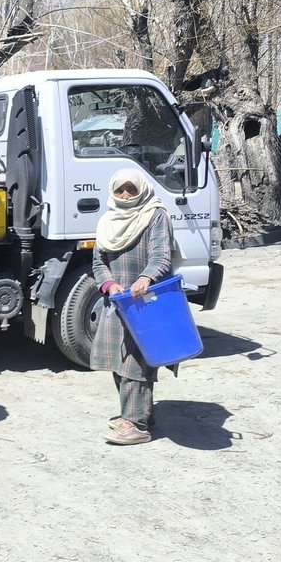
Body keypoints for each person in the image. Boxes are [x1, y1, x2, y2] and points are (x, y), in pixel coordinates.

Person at [91, 169, 174, 446]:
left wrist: (145, 278)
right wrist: (110, 285)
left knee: (135, 363)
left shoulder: (154, 215)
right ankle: (140, 414)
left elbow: (162, 256)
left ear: (142, 190)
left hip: (144, 302)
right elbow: (98, 262)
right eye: (120, 190)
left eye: (131, 189)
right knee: (119, 359)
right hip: (117, 302)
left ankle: (136, 424)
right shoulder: (106, 221)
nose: (125, 195)